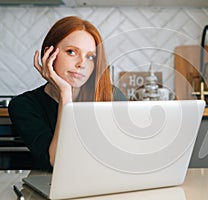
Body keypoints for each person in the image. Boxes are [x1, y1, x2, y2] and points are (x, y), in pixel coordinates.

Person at [8, 16, 127, 170]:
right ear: (49, 54)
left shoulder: (110, 95)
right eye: (71, 52)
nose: (82, 64)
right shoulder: (24, 106)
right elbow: (57, 161)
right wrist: (65, 93)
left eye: (90, 57)